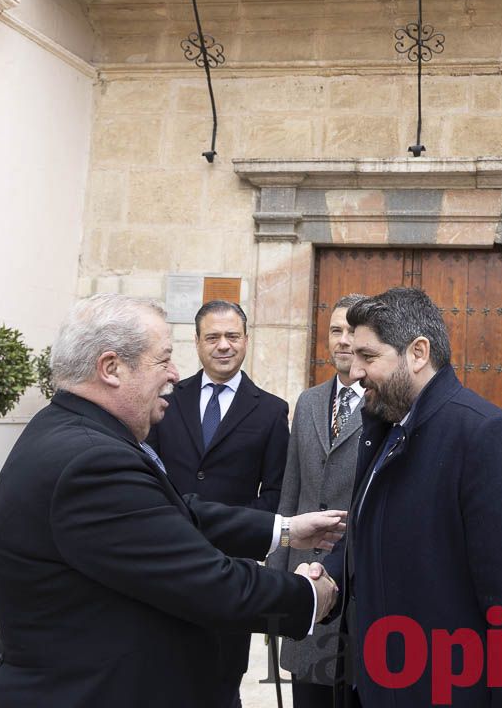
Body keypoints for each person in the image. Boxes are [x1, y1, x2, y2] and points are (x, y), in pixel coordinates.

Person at [0, 294, 345, 708]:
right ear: (111, 368)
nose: (174, 374)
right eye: (163, 360)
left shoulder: (71, 429)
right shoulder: (92, 462)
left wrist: (285, 530)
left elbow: (173, 512)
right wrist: (311, 595)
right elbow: (207, 582)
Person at [324, 287, 502, 708]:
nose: (355, 372)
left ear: (418, 353)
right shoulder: (384, 430)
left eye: (369, 357)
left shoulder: (488, 439)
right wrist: (330, 575)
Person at [147, 298, 290, 701]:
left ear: (246, 340)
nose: (223, 345)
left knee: (222, 680)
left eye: (232, 336)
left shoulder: (271, 411)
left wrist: (234, 528)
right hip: (167, 560)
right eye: (212, 337)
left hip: (230, 570)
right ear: (196, 342)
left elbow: (276, 493)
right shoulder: (165, 399)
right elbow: (149, 471)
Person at [267, 293, 366, 708]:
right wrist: (275, 575)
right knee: (308, 695)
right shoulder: (307, 402)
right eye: (335, 331)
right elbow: (291, 490)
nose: (343, 340)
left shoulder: (389, 406)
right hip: (302, 578)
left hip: (355, 584)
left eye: (352, 331)